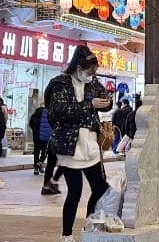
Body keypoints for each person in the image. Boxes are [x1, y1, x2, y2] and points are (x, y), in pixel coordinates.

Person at [44, 47, 111, 241]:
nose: (92, 75)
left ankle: (88, 227)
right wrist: (90, 105)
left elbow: (105, 100)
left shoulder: (93, 82)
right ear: (79, 67)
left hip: (90, 143)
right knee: (75, 191)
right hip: (69, 145)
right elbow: (59, 111)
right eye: (89, 71)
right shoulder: (60, 83)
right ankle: (66, 235)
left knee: (101, 187)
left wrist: (106, 103)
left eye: (94, 71)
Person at [29, 105, 51, 175]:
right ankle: (40, 164)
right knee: (44, 151)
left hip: (36, 136)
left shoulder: (34, 115)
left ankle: (36, 169)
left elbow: (31, 124)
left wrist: (35, 131)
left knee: (36, 152)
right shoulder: (48, 113)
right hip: (45, 136)